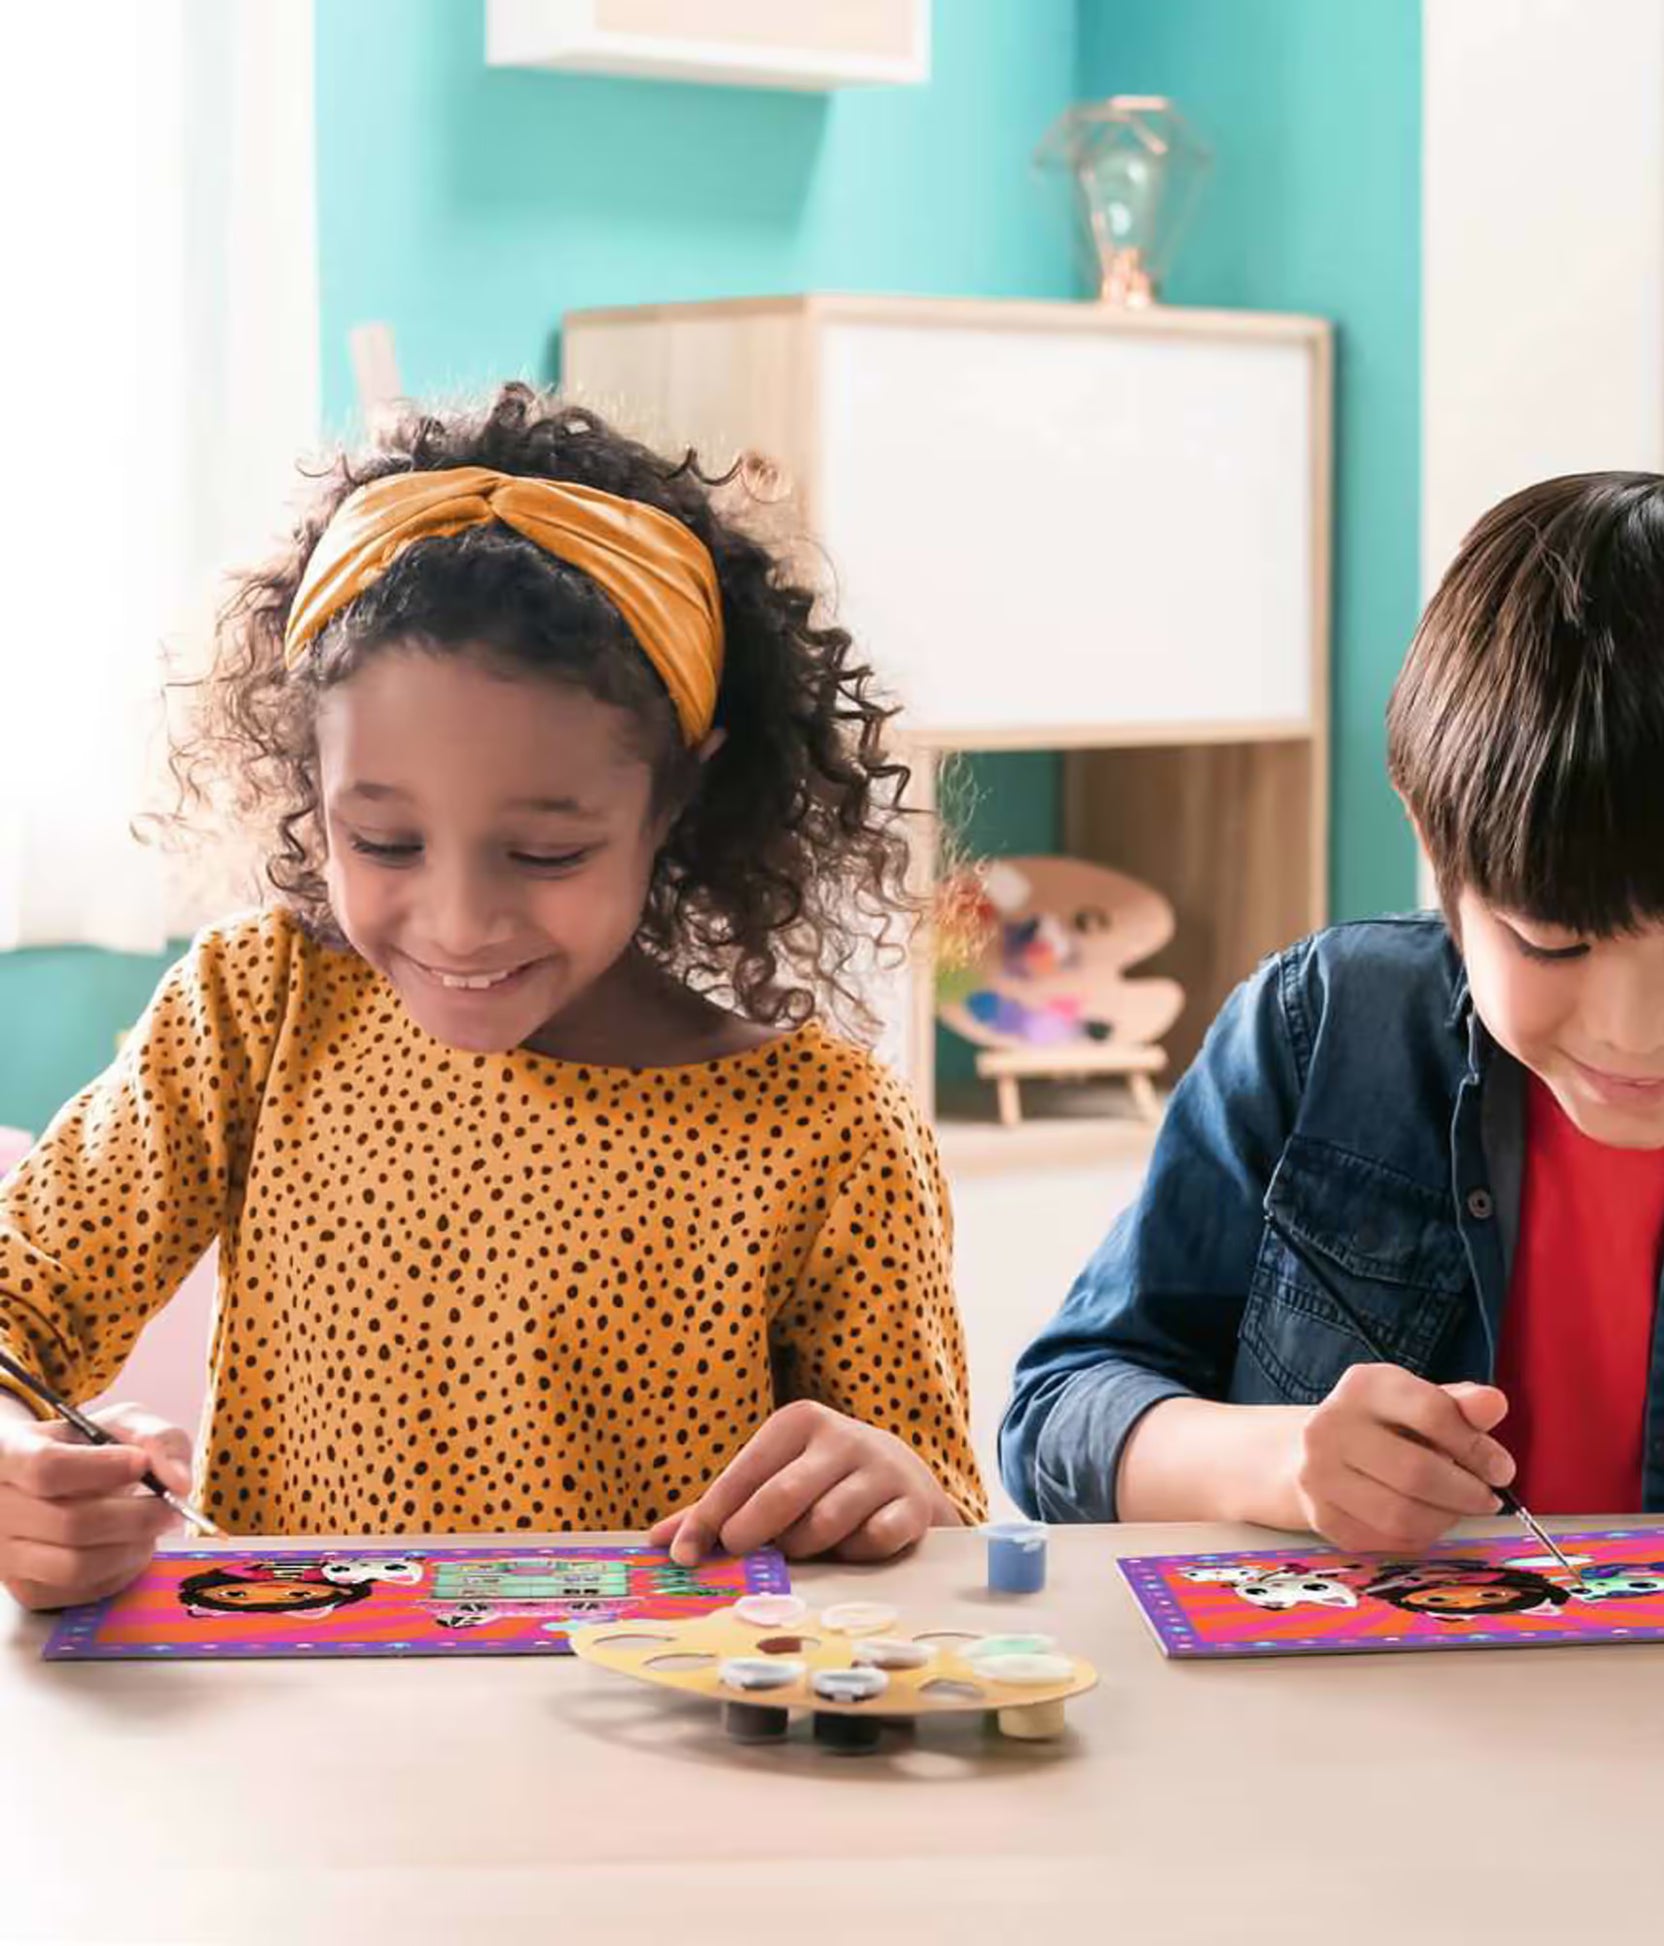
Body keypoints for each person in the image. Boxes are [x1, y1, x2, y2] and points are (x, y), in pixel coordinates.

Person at [0, 384, 983, 1612]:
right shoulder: (257, 1006)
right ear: (313, 784)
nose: (459, 923)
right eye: (385, 841)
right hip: (301, 1761)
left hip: (665, 1773)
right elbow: (14, 1302)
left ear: (679, 797)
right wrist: (19, 1469)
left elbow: (935, 1533)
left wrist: (895, 1493)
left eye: (546, 854)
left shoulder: (826, 1130)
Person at [1002, 471, 1664, 1549]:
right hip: (1358, 1715)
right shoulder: (1320, 1031)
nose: (1634, 1028)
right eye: (1550, 940)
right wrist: (1274, 1462)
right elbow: (1058, 1413)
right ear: (1434, 844)